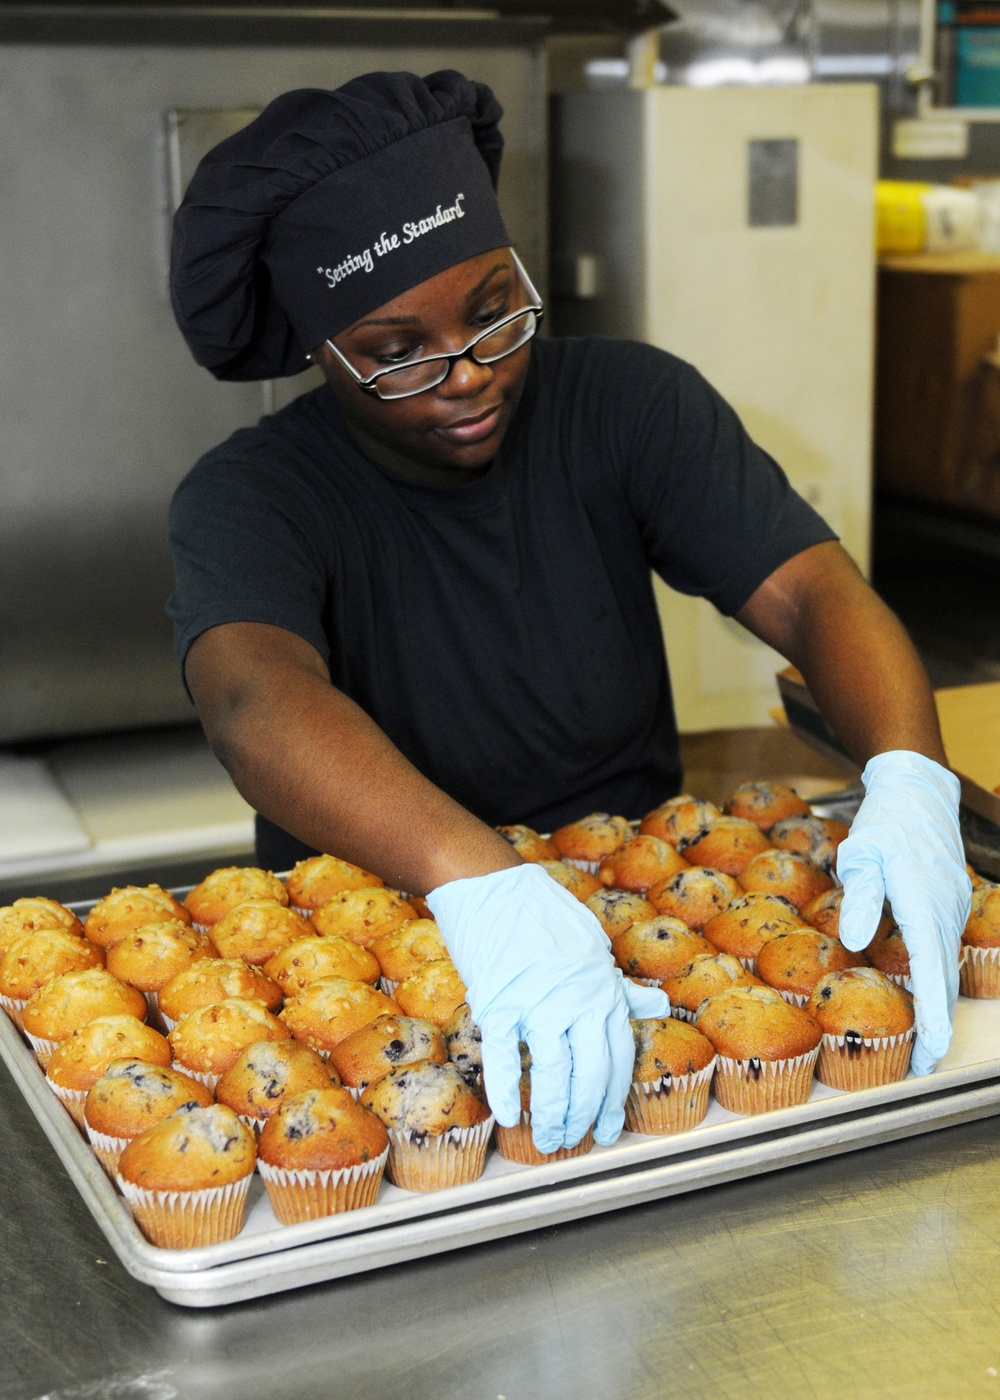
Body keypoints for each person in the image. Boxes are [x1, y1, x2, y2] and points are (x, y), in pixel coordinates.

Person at [167, 70, 970, 1155]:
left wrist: (910, 778)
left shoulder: (627, 407)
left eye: (494, 312)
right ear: (322, 348)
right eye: (397, 351)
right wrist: (483, 886)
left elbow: (815, 592)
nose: (467, 377)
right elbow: (256, 699)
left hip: (646, 910)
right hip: (385, 921)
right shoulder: (253, 494)